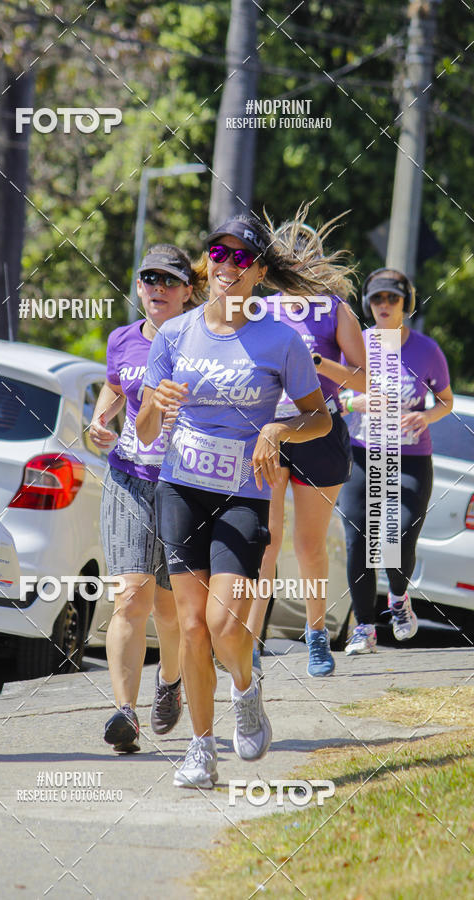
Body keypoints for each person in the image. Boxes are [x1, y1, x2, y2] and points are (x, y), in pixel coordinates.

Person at [137, 213, 335, 789]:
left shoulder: (281, 340)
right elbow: (147, 431)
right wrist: (158, 402)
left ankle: (245, 688)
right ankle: (202, 749)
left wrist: (277, 431)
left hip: (243, 495)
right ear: (207, 263)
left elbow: (318, 418)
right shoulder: (175, 334)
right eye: (218, 255)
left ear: (260, 273)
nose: (227, 266)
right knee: (193, 627)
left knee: (225, 626)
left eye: (240, 258)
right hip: (180, 487)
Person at [89, 244, 202, 753]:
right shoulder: (122, 339)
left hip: (183, 483)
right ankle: (125, 713)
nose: (157, 288)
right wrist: (99, 421)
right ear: (137, 287)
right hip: (129, 479)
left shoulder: (204, 343)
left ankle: (171, 682)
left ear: (187, 292)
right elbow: (115, 388)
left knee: (170, 607)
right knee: (131, 596)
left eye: (169, 281)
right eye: (149, 279)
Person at [245, 214, 365, 677]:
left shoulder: (335, 309)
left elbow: (366, 377)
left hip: (320, 431)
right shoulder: (262, 309)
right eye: (287, 258)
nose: (297, 265)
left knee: (309, 542)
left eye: (304, 256)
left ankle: (317, 637)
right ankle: (251, 640)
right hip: (272, 431)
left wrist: (319, 364)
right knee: (266, 540)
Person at [336, 268, 453, 653]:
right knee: (358, 540)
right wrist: (359, 401)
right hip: (362, 453)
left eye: (393, 299)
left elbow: (446, 400)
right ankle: (364, 627)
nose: (384, 305)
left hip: (411, 457)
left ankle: (399, 599)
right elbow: (333, 398)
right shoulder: (357, 346)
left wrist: (427, 415)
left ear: (406, 304)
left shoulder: (426, 350)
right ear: (368, 305)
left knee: (398, 536)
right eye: (377, 299)